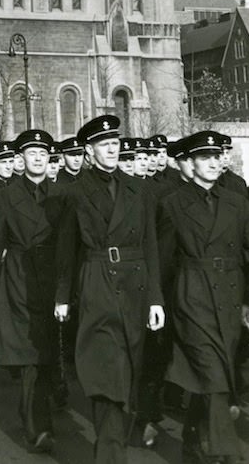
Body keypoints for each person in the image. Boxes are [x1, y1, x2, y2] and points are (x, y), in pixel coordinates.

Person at [157, 129, 249, 464]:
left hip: (228, 296)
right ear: (188, 163)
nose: (214, 163)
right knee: (212, 370)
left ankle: (192, 435)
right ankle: (224, 449)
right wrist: (156, 303)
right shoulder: (172, 204)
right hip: (191, 297)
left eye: (217, 157)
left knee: (216, 370)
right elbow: (161, 260)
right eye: (205, 158)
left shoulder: (235, 202)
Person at [54, 114, 164, 464]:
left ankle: (116, 438)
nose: (112, 149)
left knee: (129, 367)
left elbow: (151, 247)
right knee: (106, 368)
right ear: (89, 151)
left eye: (115, 143)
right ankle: (109, 453)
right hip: (97, 279)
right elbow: (67, 249)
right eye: (104, 145)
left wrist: (155, 299)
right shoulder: (75, 191)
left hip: (134, 283)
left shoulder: (139, 189)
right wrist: (62, 296)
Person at [0, 128, 63, 454]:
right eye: (32, 154)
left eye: (44, 154)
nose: (39, 158)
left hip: (53, 277)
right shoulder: (6, 197)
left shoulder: (62, 195)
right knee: (31, 353)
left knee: (46, 351)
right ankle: (36, 425)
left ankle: (37, 415)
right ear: (21, 159)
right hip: (18, 279)